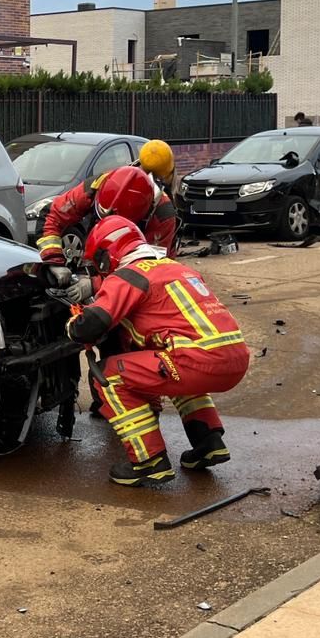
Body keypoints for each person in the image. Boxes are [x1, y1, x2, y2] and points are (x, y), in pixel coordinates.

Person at [65, 215, 249, 486]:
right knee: (178, 375)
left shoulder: (127, 275)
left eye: (98, 264)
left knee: (108, 376)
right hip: (232, 358)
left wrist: (73, 324)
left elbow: (91, 324)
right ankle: (209, 442)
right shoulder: (174, 268)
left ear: (107, 255)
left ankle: (149, 462)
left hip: (194, 360)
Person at [37, 144, 179, 263]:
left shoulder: (162, 214)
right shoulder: (100, 183)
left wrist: (94, 284)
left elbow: (146, 268)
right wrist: (53, 259)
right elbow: (53, 215)